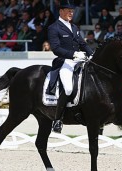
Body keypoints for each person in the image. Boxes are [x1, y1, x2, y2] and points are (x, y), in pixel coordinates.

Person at [47, 0, 93, 133]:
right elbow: (55, 49)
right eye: (68, 10)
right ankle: (57, 120)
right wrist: (73, 54)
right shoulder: (53, 28)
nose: (71, 13)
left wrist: (92, 55)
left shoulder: (74, 27)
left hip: (79, 59)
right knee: (67, 88)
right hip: (64, 61)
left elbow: (83, 44)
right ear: (61, 11)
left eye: (72, 11)